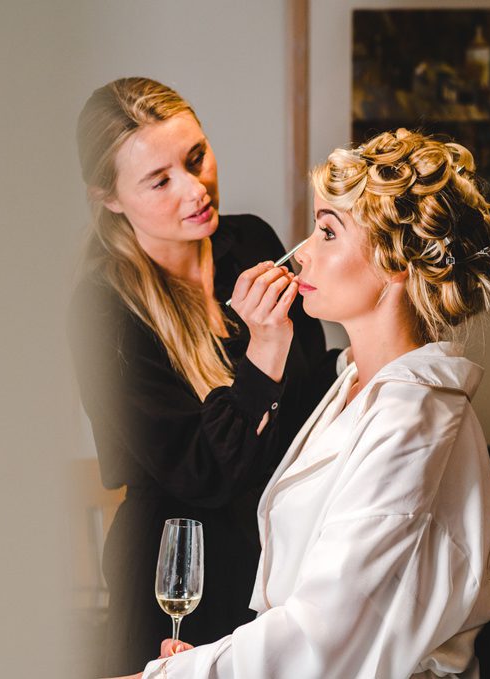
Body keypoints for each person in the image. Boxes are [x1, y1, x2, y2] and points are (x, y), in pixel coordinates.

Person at [129, 128, 490, 678]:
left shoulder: (413, 419)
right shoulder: (355, 384)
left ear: (395, 260)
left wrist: (161, 677)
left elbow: (322, 640)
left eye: (328, 232)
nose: (301, 254)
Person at [72, 77, 335, 675]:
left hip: (277, 555)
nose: (196, 190)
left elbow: (308, 409)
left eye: (196, 158)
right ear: (108, 197)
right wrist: (264, 349)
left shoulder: (251, 242)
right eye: (159, 181)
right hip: (178, 581)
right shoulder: (104, 312)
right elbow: (204, 475)